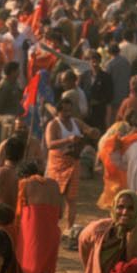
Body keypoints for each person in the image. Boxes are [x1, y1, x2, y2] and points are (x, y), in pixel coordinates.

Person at [45, 93, 97, 238]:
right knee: (57, 198)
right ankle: (53, 228)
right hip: (57, 164)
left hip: (73, 162)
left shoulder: (76, 122)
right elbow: (50, 144)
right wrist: (68, 139)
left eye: (70, 110)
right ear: (59, 111)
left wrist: (93, 132)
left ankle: (68, 229)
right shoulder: (53, 124)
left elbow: (88, 130)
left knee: (72, 199)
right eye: (65, 111)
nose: (68, 114)